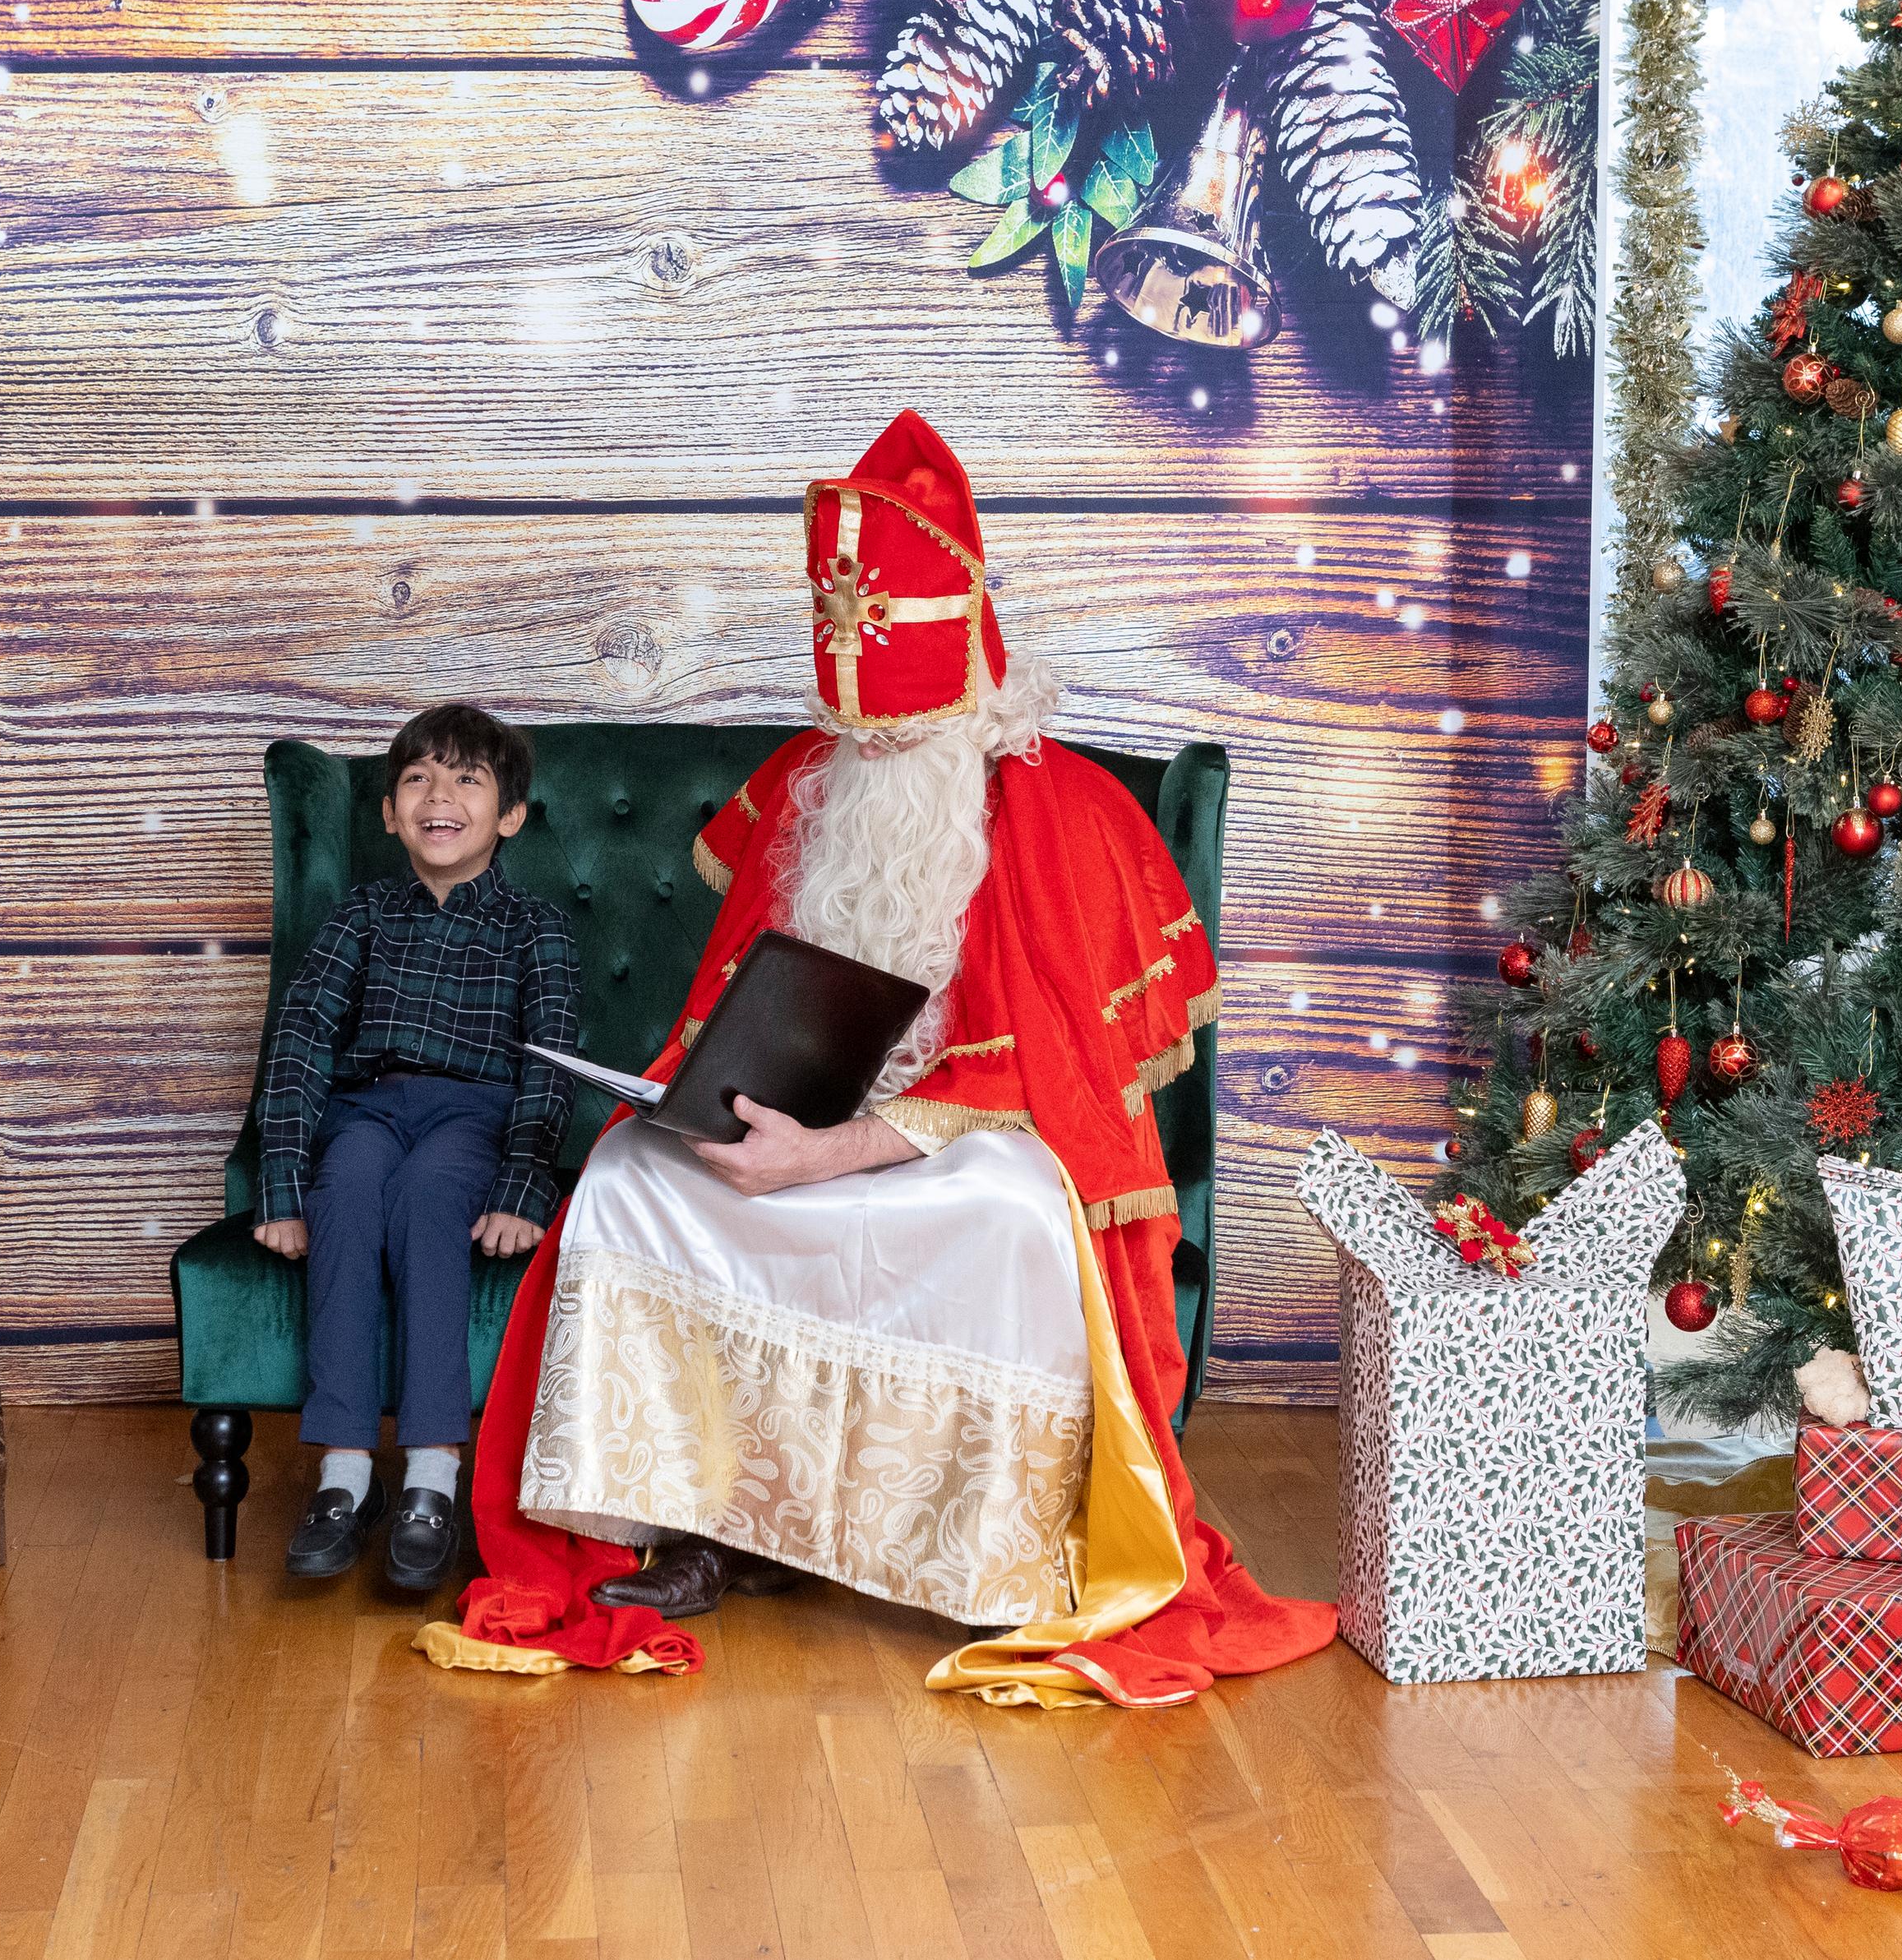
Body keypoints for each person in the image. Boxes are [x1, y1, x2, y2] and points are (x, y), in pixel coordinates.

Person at [418, 409, 1336, 1707]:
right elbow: (739, 1006)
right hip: (798, 1127)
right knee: (627, 1180)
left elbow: (1050, 1090)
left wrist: (837, 1152)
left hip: (964, 1149)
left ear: (967, 681)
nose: (881, 760)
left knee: (1013, 1218)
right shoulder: (815, 782)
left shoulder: (1062, 816)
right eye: (867, 737)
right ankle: (698, 1519)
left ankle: (998, 1557)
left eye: (906, 737)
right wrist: (722, 1115)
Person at [255, 703, 580, 1593]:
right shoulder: (361, 915)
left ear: (509, 816)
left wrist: (522, 1187)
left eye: (467, 780)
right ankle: (345, 1477)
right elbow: (301, 1040)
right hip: (366, 1110)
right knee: (347, 1189)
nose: (440, 796)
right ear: (391, 814)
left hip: (474, 1117)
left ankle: (432, 1477)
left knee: (432, 1195)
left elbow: (552, 1066)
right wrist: (282, 1188)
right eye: (417, 780)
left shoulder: (537, 929)